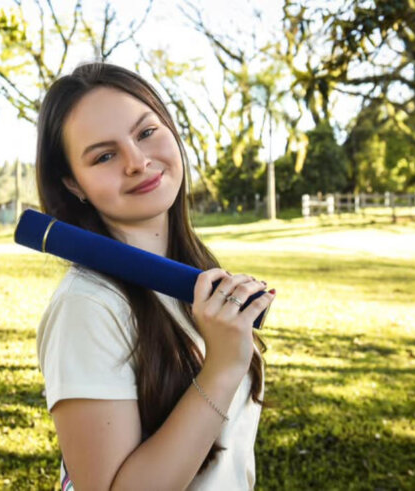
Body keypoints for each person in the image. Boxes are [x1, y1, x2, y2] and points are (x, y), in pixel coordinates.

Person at [35, 62, 275, 490]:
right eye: (105, 155)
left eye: (146, 132)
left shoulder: (194, 271)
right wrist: (220, 368)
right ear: (73, 183)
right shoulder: (87, 307)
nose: (137, 161)